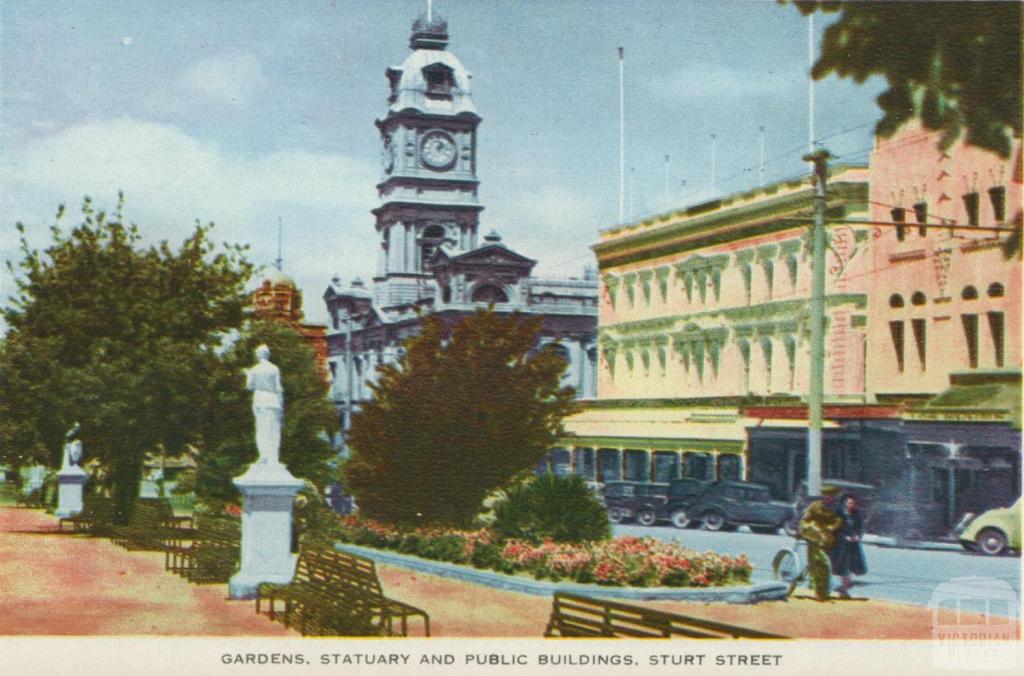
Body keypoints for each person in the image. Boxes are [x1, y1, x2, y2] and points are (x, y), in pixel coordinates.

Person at [799, 484, 843, 601]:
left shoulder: (834, 508)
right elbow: (805, 520)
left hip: (827, 540)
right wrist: (812, 529)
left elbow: (838, 521)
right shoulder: (815, 506)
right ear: (824, 496)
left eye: (832, 497)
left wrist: (830, 527)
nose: (830, 499)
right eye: (828, 496)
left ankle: (819, 590)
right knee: (822, 563)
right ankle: (820, 593)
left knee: (819, 565)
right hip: (813, 538)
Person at [246, 344, 284, 465]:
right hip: (273, 400)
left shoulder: (254, 369)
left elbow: (249, 386)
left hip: (260, 399)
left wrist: (248, 374)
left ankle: (264, 455)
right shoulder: (274, 368)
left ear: (258, 355)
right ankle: (273, 457)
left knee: (262, 428)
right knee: (273, 430)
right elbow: (278, 388)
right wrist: (281, 406)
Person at [831, 494, 868, 598]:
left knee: (851, 567)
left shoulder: (856, 514)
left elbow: (860, 527)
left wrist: (858, 536)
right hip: (840, 545)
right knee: (843, 566)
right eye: (850, 503)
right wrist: (844, 537)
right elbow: (834, 529)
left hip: (853, 545)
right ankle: (843, 588)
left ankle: (844, 588)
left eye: (853, 503)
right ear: (845, 503)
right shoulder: (838, 514)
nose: (852, 505)